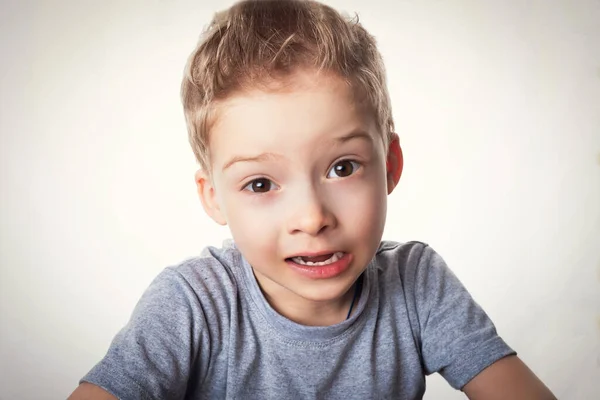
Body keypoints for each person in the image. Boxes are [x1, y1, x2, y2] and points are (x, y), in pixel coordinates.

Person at [69, 1, 556, 399]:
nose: (312, 218)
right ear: (213, 197)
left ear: (389, 166)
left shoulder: (417, 286)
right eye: (261, 184)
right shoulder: (193, 305)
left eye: (343, 168)